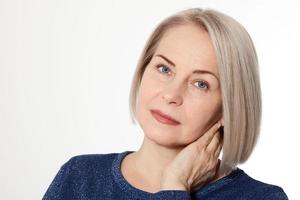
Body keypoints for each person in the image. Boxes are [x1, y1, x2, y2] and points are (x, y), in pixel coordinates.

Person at [42, 8, 289, 200]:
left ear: (229, 107)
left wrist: (174, 186)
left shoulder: (262, 197)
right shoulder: (80, 177)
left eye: (200, 83)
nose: (172, 94)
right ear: (142, 71)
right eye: (164, 69)